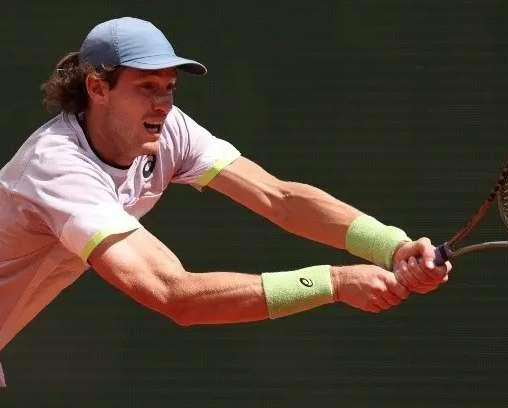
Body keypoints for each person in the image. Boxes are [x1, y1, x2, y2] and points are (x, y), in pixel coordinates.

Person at [0, 17, 451, 386]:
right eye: (146, 87)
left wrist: (390, 245)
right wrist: (332, 282)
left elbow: (280, 198)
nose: (163, 103)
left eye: (169, 87)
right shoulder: (58, 168)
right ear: (98, 88)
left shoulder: (166, 128)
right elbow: (175, 295)